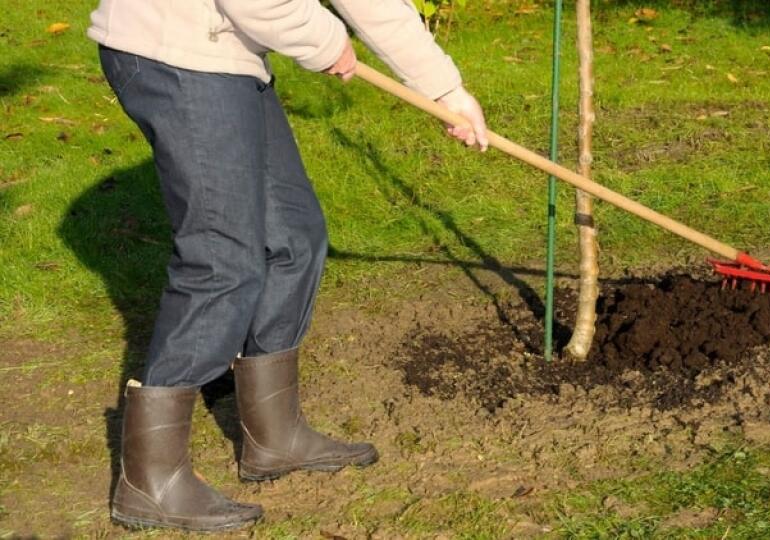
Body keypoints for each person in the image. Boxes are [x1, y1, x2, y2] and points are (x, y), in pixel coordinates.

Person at [87, 0, 489, 531]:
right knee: (222, 258)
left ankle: (274, 436)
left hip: (228, 50)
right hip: (173, 49)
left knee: (293, 238)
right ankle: (150, 480)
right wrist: (325, 40)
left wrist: (446, 90)